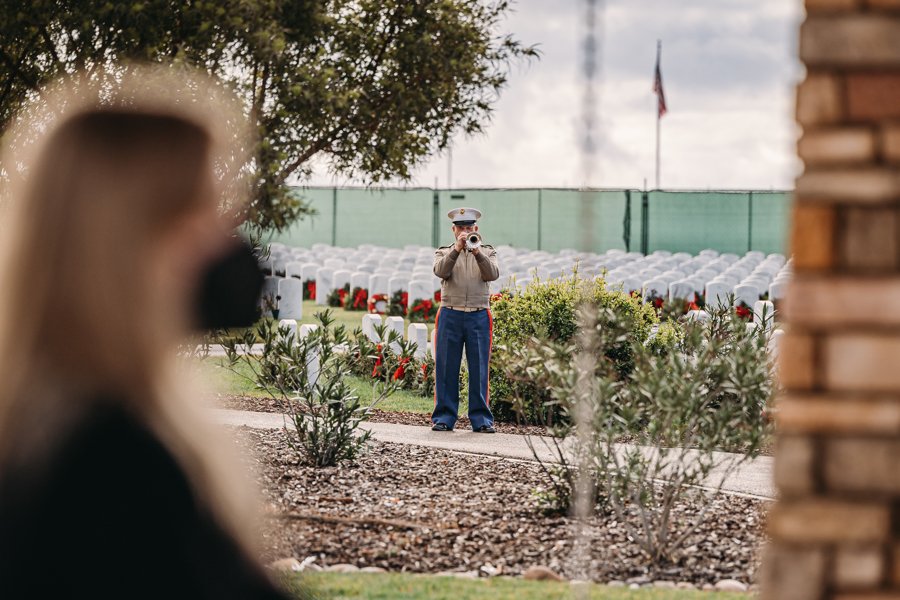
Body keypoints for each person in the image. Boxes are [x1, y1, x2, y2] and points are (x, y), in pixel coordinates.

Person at [0, 67, 291, 599]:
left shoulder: (54, 417)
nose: (227, 243)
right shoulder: (114, 469)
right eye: (204, 213)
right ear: (123, 238)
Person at [431, 207, 500, 433]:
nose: (465, 231)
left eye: (469, 227)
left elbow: (492, 275)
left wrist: (477, 252)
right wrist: (457, 250)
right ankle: (444, 417)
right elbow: (441, 271)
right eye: (461, 227)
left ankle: (481, 419)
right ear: (453, 230)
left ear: (476, 229)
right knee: (446, 367)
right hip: (450, 312)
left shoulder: (488, 252)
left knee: (479, 368)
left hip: (479, 314)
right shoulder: (443, 252)